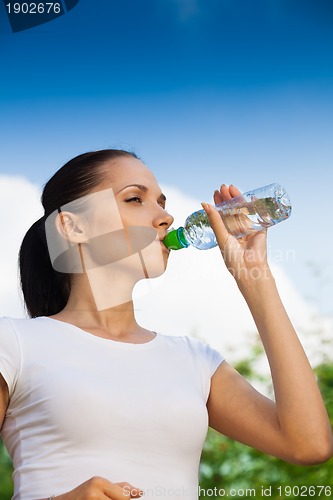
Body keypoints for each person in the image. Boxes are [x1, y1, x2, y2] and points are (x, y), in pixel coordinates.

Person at [0, 149, 332, 500]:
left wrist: (255, 276)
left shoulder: (194, 359)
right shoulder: (16, 343)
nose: (166, 217)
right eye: (134, 199)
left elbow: (308, 444)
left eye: (162, 202)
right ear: (73, 225)